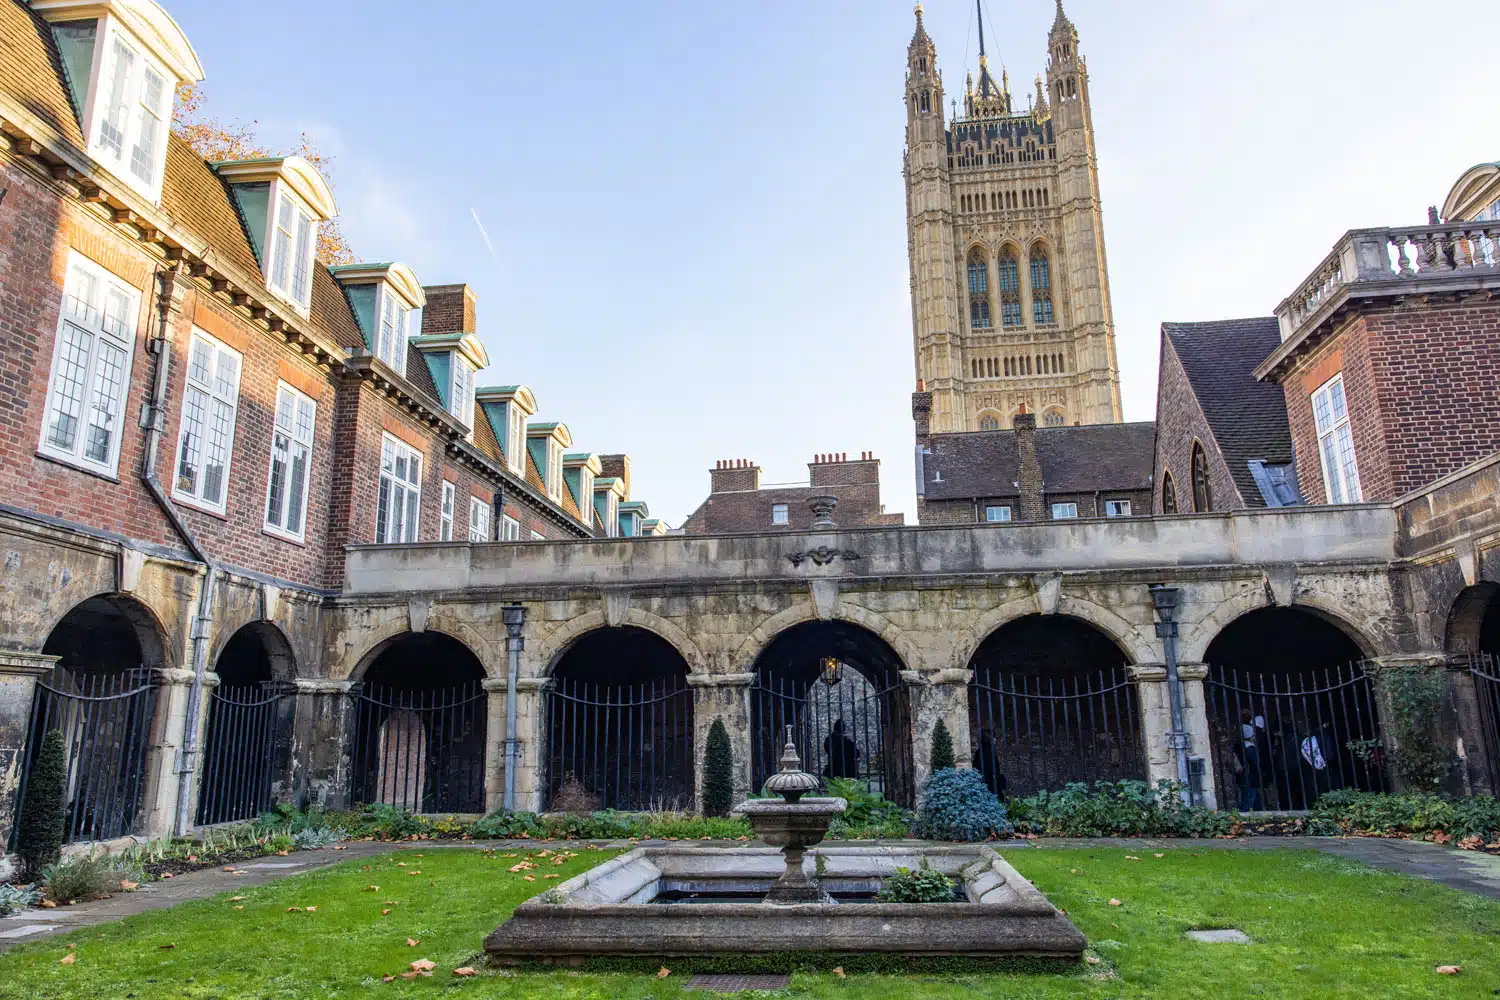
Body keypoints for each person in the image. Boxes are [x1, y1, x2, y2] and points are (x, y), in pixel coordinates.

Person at [1238, 708, 1265, 811]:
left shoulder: (1240, 746)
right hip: (1250, 777)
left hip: (1244, 776)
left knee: (1255, 799)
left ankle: (1260, 811)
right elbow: (1255, 764)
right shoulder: (1250, 748)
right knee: (1248, 801)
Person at [972, 726, 1007, 799]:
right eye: (994, 737)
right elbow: (992, 770)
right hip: (990, 783)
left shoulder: (979, 751)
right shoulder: (989, 751)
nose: (995, 739)